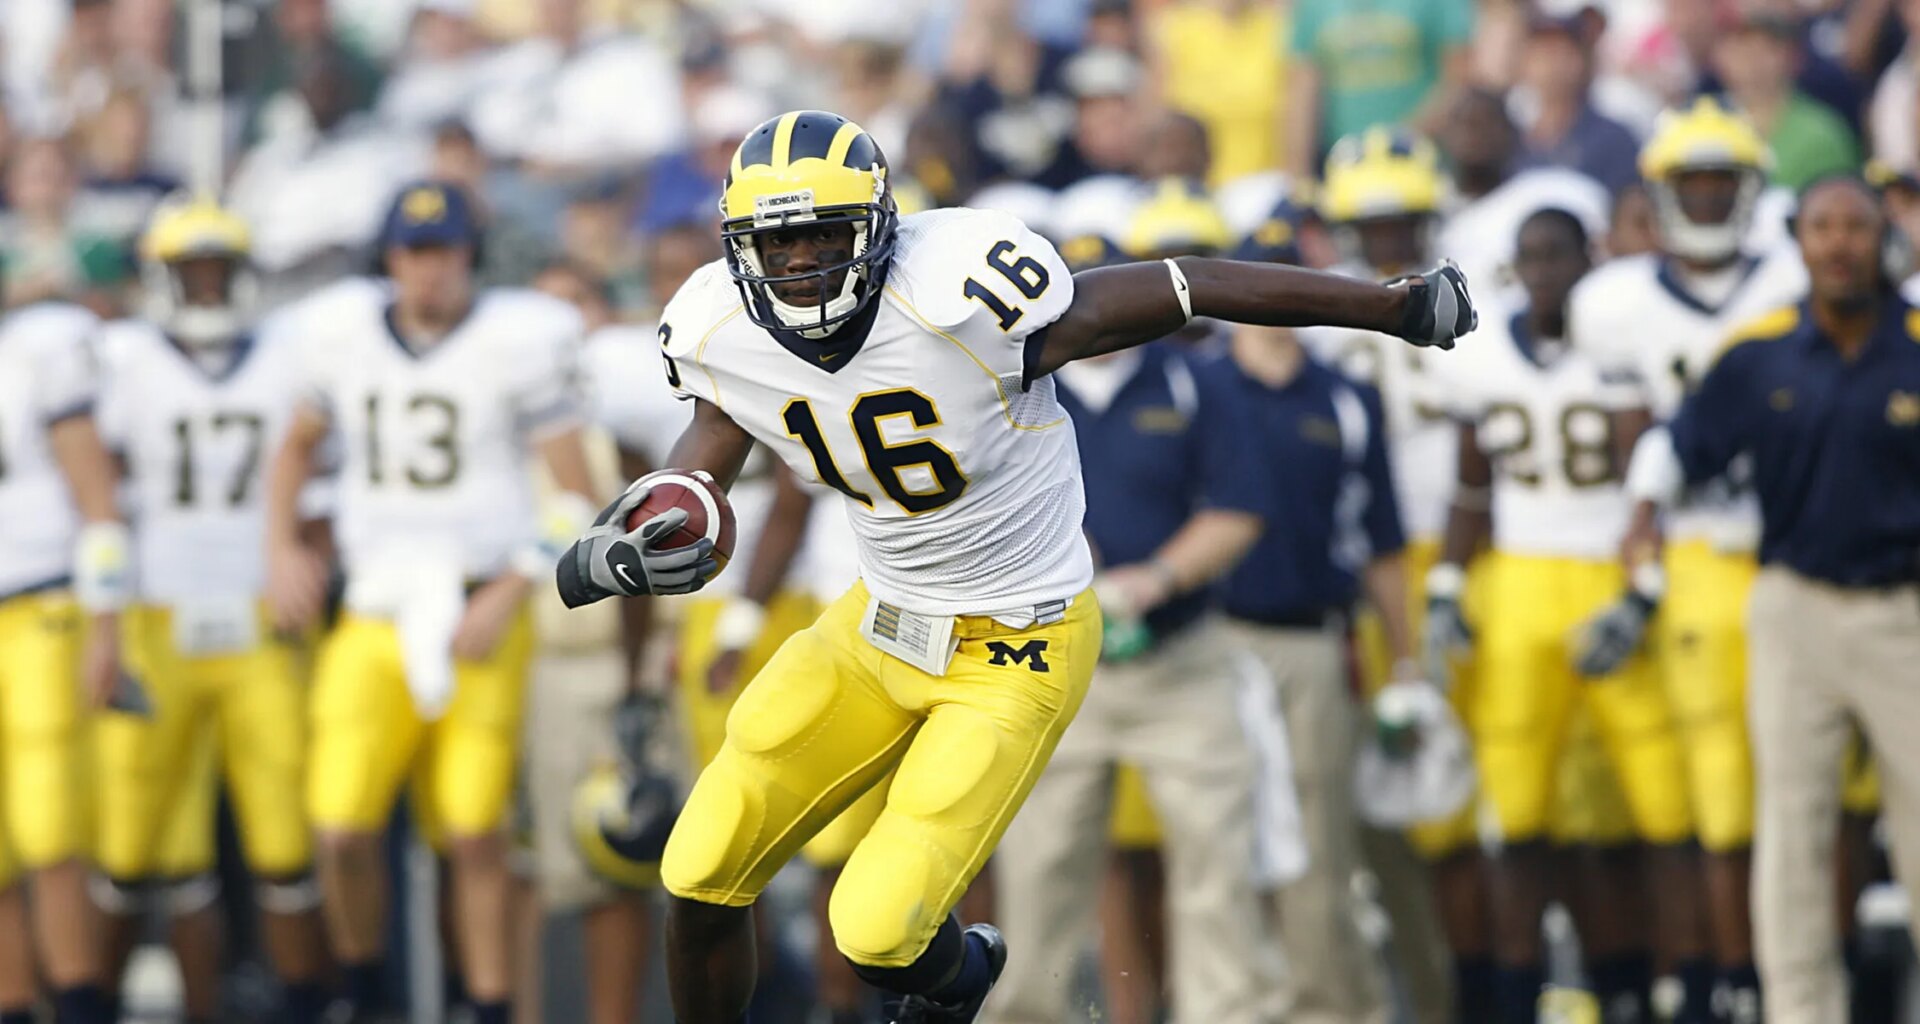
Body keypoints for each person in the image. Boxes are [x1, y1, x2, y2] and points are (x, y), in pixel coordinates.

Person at [554, 109, 1476, 1024]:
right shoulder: (718, 322)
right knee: (701, 866)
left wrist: (1389, 306)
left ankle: (960, 978)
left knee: (875, 930)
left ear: (877, 228)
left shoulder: (967, 294)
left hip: (1014, 646)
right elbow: (713, 435)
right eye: (778, 241)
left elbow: (1189, 285)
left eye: (825, 234)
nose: (801, 263)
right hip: (876, 625)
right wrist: (658, 516)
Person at [263, 180, 596, 1024]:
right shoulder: (340, 336)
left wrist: (515, 585)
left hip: (478, 604)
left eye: (445, 251)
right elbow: (294, 452)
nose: (430, 271)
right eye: (415, 253)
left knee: (475, 832)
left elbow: (575, 493)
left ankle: (482, 1005)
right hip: (373, 610)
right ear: (391, 259)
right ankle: (363, 989)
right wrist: (279, 547)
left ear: (468, 257)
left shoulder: (517, 339)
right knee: (338, 826)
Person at [1612, 173, 1920, 1024]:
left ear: (1881, 238)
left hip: (1904, 610)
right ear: (1797, 238)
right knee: (1790, 830)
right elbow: (1681, 443)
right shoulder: (1761, 352)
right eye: (1821, 226)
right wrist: (1642, 515)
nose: (1838, 244)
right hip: (1794, 605)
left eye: (1854, 227)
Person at [985, 206, 1283, 1022]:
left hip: (1180, 655)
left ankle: (1226, 1015)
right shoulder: (1004, 385)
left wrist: (1152, 578)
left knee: (1218, 866)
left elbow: (1238, 509)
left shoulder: (1194, 379)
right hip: (1051, 661)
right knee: (1040, 872)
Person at [1567, 97, 1810, 1021]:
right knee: (1707, 792)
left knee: (1815, 787)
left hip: (1790, 540)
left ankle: (1805, 977)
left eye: (1722, 181)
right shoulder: (1617, 303)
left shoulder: (1792, 276)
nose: (1707, 199)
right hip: (1694, 545)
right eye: (1691, 182)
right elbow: (1641, 448)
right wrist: (1642, 570)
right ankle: (1717, 981)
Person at [1427, 205, 1696, 1024]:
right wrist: (1446, 582)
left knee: (1658, 806)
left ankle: (1673, 985)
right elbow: (1472, 485)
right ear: (1514, 266)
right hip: (1517, 584)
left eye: (1560, 255)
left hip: (1609, 573)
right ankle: (1517, 994)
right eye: (1531, 256)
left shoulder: (1619, 343)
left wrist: (1644, 587)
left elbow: (1648, 477)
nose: (1545, 271)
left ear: (1591, 260)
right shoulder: (1482, 356)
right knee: (1515, 813)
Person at [89, 197, 332, 1024]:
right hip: (158, 619)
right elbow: (96, 491)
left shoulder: (287, 356)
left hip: (262, 621)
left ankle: (306, 1004)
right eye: (189, 273)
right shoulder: (123, 360)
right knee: (135, 848)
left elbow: (317, 487)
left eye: (216, 271)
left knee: (284, 845)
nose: (204, 288)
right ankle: (91, 1005)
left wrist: (310, 556)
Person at [1305, 129, 1473, 1024]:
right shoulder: (1321, 329)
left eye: (1401, 224)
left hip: (1465, 560)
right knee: (1378, 807)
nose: (1387, 247)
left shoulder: (1477, 305)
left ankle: (1478, 991)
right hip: (1365, 572)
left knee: (1467, 802)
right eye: (1370, 229)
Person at [0, 297, 123, 1024]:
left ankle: (79, 1003)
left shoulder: (37, 348)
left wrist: (106, 623)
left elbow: (97, 498)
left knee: (50, 833)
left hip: (39, 606)